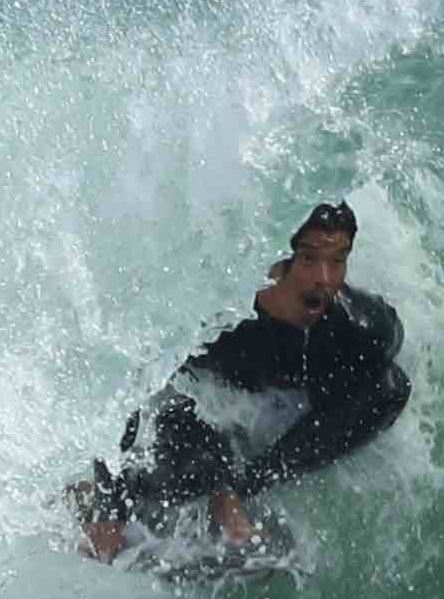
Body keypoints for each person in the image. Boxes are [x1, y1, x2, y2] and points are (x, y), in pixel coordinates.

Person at [74, 203, 410, 563]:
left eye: (338, 260)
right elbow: (120, 380)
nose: (325, 279)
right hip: (195, 401)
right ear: (278, 261)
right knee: (183, 429)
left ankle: (241, 489)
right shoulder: (218, 310)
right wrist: (109, 509)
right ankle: (97, 495)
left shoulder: (361, 326)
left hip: (282, 409)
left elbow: (383, 372)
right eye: (309, 259)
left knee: (389, 388)